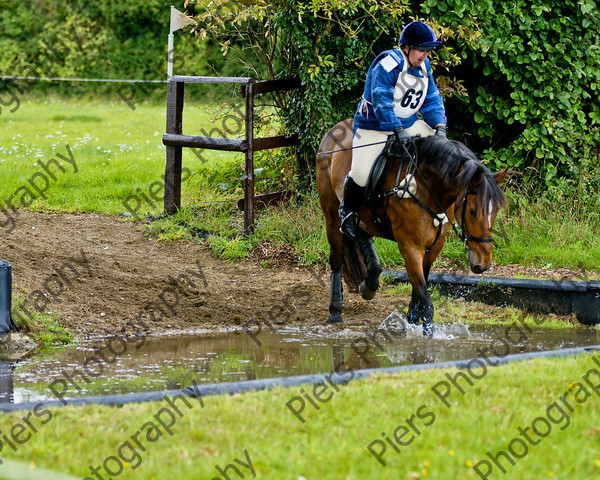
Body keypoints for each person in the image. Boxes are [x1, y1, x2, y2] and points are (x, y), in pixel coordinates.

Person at [340, 20, 448, 238]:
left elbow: (432, 100)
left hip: (408, 123)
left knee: (443, 152)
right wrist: (395, 129)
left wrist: (440, 126)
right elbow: (381, 100)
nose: (424, 55)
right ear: (406, 47)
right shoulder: (387, 64)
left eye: (427, 50)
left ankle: (437, 209)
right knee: (360, 173)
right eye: (420, 49)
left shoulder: (424, 68)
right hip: (375, 126)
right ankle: (348, 213)